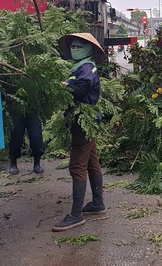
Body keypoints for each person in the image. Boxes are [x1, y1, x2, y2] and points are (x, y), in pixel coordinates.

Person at [52, 32, 107, 232]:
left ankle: (76, 215)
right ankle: (97, 204)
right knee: (92, 161)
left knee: (77, 166)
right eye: (72, 46)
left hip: (84, 121)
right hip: (86, 121)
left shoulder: (86, 68)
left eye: (78, 47)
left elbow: (82, 88)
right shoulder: (80, 67)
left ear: (88, 49)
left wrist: (64, 87)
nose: (74, 49)